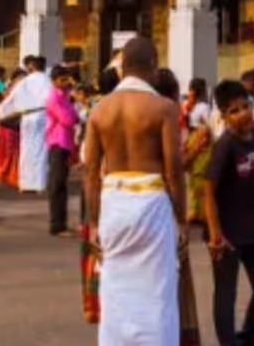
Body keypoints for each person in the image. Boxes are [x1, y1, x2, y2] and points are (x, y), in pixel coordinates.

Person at [83, 37, 186, 346]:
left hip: (114, 203)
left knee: (115, 292)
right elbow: (174, 171)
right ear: (153, 67)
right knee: (156, 294)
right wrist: (181, 220)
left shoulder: (100, 110)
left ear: (121, 68)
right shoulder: (164, 108)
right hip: (151, 202)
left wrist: (94, 224)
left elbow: (90, 172)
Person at [205, 79, 254, 346]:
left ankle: (247, 337)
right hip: (227, 232)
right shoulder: (224, 146)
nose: (243, 113)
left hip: (253, 227)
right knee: (226, 293)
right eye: (234, 110)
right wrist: (215, 234)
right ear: (223, 116)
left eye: (246, 106)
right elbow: (208, 190)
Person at [3, 56, 53, 193]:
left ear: (32, 66)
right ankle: (39, 185)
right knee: (41, 151)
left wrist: (2, 112)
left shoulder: (26, 81)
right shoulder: (48, 81)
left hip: (26, 116)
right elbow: (52, 99)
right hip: (42, 115)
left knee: (26, 149)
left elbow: (12, 98)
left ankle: (24, 184)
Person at [46, 64, 81, 237]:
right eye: (63, 79)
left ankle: (62, 223)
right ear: (54, 81)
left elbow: (74, 116)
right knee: (57, 185)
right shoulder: (55, 98)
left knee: (61, 185)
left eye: (67, 78)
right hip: (57, 142)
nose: (66, 82)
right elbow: (68, 118)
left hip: (65, 143)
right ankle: (57, 225)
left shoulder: (64, 97)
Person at [181, 77, 214, 228]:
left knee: (193, 175)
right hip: (202, 139)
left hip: (191, 138)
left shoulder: (188, 105)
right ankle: (201, 212)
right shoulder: (204, 107)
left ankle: (195, 211)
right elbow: (207, 126)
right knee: (200, 175)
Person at [0, 69, 25, 188]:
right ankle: (10, 173)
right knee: (11, 149)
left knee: (15, 149)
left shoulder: (16, 89)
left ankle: (13, 173)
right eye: (20, 78)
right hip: (9, 122)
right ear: (15, 79)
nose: (22, 80)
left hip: (16, 122)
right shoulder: (10, 89)